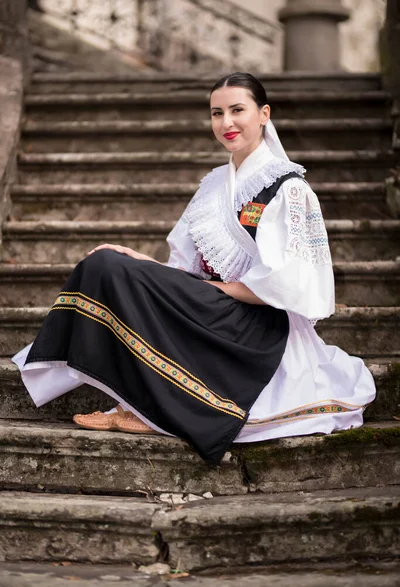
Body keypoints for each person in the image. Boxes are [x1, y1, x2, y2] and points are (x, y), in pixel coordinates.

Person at [12, 72, 376, 464]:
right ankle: (136, 400)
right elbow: (183, 269)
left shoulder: (288, 187)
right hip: (212, 305)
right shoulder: (214, 185)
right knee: (106, 264)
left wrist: (215, 290)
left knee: (112, 269)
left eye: (238, 110)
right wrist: (139, 260)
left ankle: (146, 407)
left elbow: (287, 284)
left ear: (264, 114)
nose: (226, 123)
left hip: (257, 325)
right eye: (217, 113)